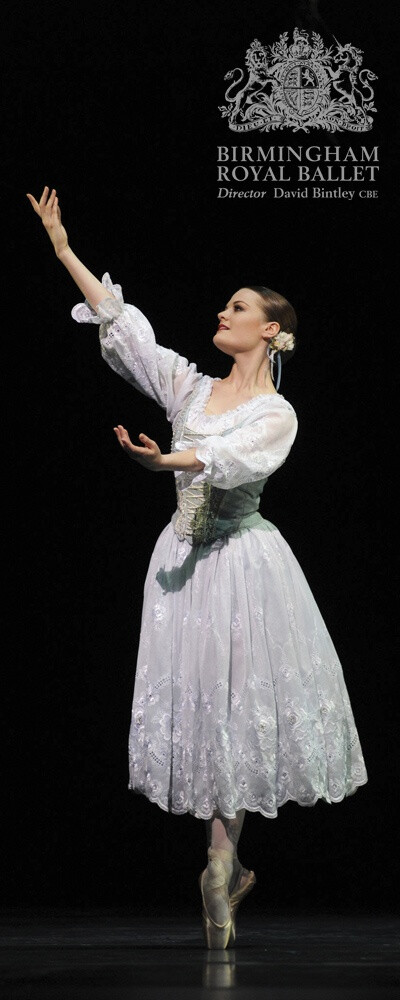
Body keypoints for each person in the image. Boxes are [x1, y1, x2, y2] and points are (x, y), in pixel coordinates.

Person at [27, 186, 368, 949]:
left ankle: (221, 857)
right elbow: (128, 330)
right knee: (207, 706)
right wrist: (63, 251)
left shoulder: (276, 414)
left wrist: (163, 462)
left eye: (238, 308)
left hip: (245, 567)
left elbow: (220, 460)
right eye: (225, 305)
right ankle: (224, 861)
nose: (224, 313)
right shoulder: (192, 386)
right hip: (182, 565)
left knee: (238, 700)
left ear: (269, 330)